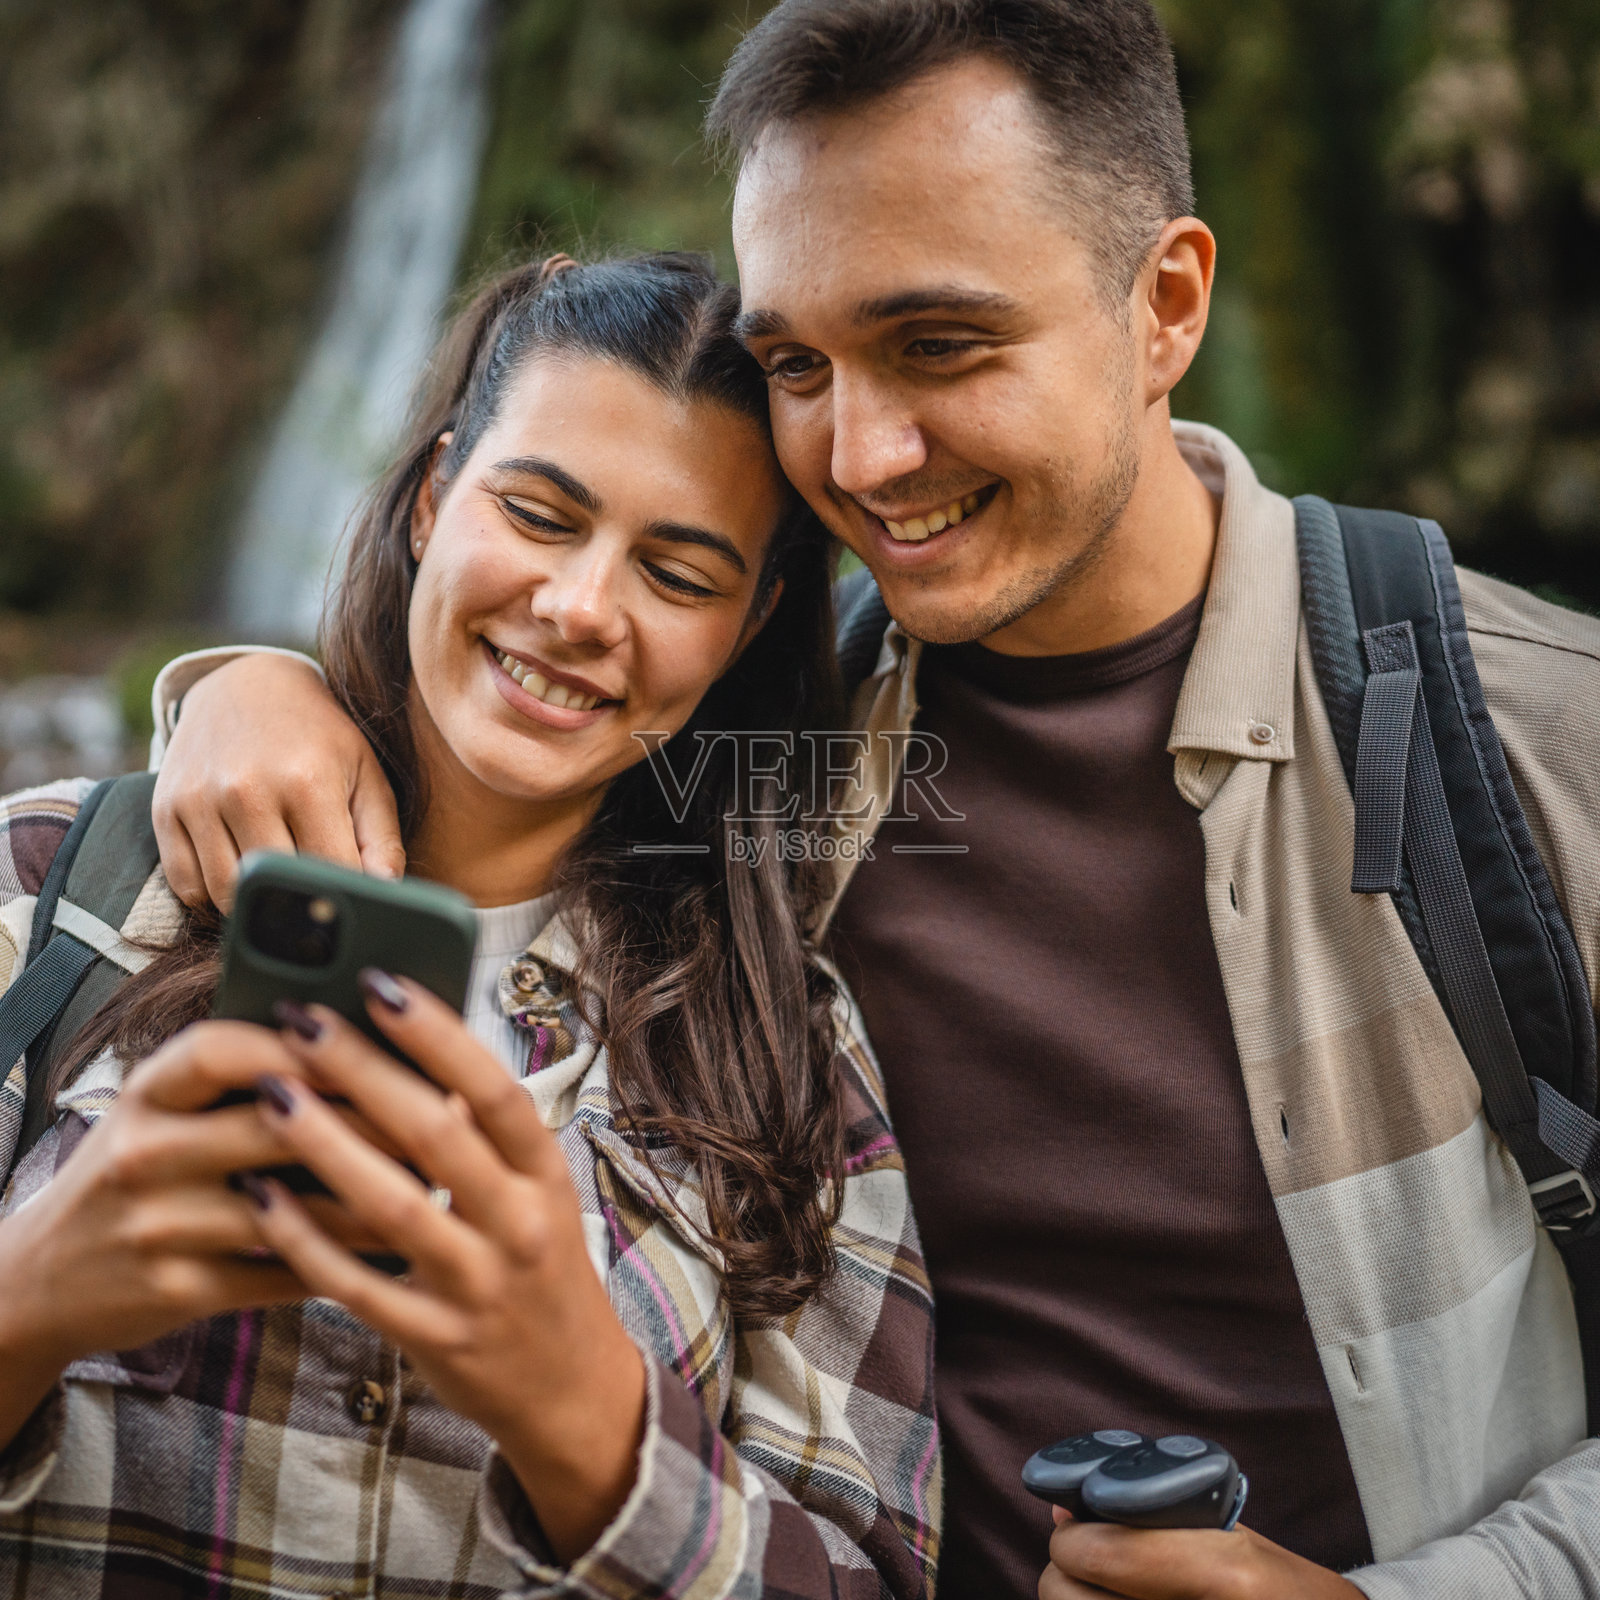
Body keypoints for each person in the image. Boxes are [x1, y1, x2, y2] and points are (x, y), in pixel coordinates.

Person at [142, 2, 1600, 1597]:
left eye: (940, 346)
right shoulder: (765, 747)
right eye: (794, 362)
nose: (862, 454)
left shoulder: (1529, 734)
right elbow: (495, 752)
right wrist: (241, 689)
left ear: (1166, 303)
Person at [0, 253, 940, 1598]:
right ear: (437, 494)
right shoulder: (53, 886)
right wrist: (29, 1298)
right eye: (539, 514)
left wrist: (586, 1419)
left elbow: (877, 1578)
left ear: (750, 627)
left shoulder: (785, 1053)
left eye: (678, 577)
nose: (578, 608)